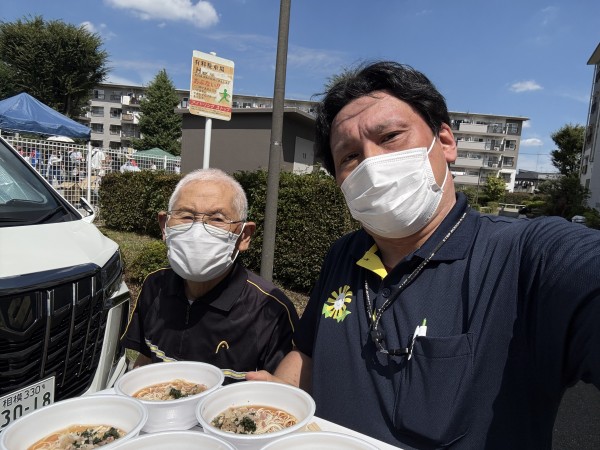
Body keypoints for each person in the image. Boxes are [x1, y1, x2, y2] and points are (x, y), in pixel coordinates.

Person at [246, 61, 600, 448]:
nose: (372, 163)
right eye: (349, 157)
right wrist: (280, 394)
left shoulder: (528, 257)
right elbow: (309, 353)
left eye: (391, 136)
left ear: (445, 142)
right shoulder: (343, 254)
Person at [121, 168, 299, 384]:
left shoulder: (270, 311)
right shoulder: (155, 285)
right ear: (164, 226)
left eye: (217, 219)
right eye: (186, 216)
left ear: (244, 236)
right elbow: (145, 360)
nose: (198, 231)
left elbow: (280, 392)